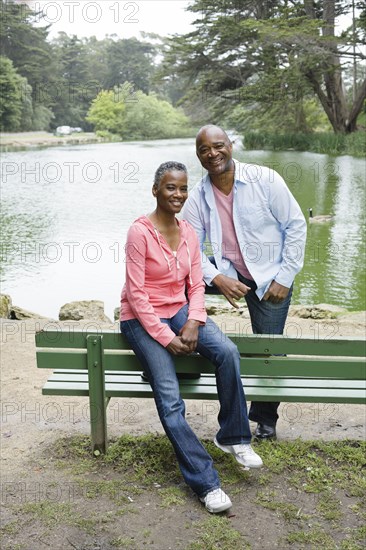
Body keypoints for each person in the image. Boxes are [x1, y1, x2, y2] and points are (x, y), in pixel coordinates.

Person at [120, 160, 263, 514]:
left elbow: (195, 285)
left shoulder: (189, 232)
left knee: (227, 352)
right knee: (170, 400)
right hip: (141, 319)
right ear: (155, 190)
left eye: (183, 188)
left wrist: (194, 321)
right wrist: (166, 339)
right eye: (171, 187)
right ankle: (206, 483)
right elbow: (137, 295)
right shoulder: (139, 232)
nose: (178, 195)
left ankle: (233, 437)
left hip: (180, 310)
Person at [182, 125, 307, 440]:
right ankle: (166, 359)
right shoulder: (197, 196)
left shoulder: (265, 180)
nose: (213, 154)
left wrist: (285, 276)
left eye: (218, 145)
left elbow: (295, 224)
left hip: (270, 279)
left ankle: (265, 421)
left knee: (269, 349)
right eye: (204, 150)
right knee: (174, 285)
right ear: (198, 156)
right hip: (229, 272)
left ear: (231, 146)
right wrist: (217, 278)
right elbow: (190, 249)